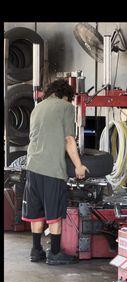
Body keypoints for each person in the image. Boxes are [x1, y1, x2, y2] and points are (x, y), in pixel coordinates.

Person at [22, 78, 88, 265]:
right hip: (52, 169)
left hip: (33, 166)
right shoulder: (65, 107)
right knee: (53, 212)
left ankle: (36, 250)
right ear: (65, 96)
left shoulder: (38, 108)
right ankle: (55, 253)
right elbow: (69, 140)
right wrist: (78, 166)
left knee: (36, 210)